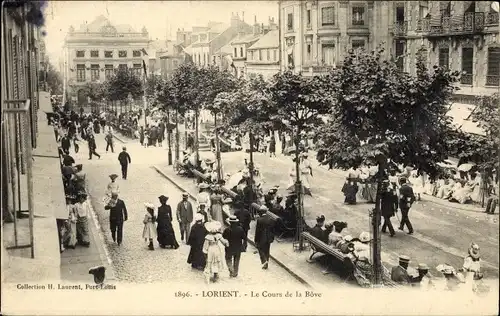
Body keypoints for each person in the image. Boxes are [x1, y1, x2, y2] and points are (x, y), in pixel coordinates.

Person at [254, 205, 276, 270]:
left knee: (260, 248)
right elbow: (273, 230)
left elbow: (257, 231)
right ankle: (266, 264)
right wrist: (272, 237)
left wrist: (256, 240)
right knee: (267, 250)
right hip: (269, 237)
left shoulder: (259, 220)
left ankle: (264, 260)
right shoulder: (270, 219)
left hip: (261, 237)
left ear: (261, 212)